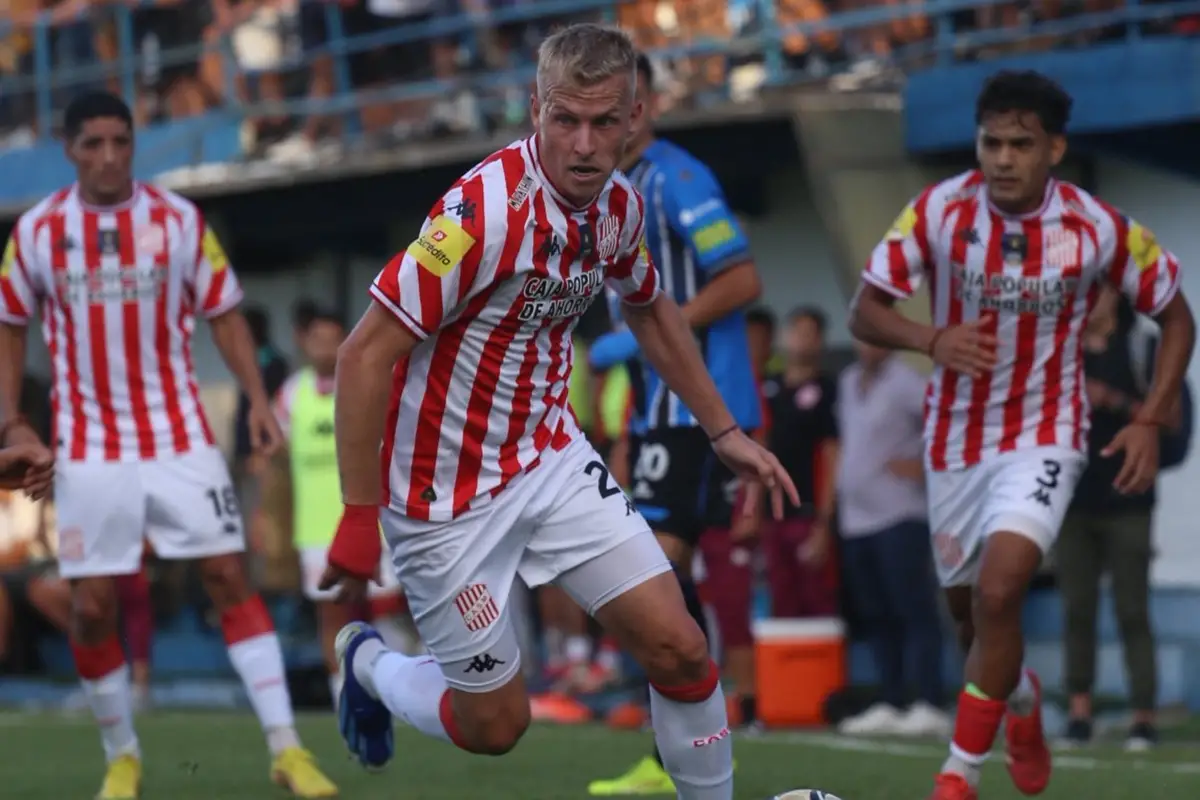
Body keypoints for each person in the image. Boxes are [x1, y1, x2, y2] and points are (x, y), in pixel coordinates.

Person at [317, 24, 796, 800]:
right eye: (564, 119)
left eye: (605, 122)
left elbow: (650, 308)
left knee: (678, 647)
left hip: (550, 458)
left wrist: (725, 430)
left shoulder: (620, 207)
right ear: (533, 109)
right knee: (496, 727)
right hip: (443, 495)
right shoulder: (480, 215)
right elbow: (362, 356)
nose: (583, 144)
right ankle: (369, 665)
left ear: (634, 116)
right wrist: (356, 513)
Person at [849, 69, 1194, 800]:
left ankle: (958, 775)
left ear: (1055, 149)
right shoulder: (938, 212)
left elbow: (1176, 316)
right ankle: (1024, 705)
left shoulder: (1097, 228)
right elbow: (866, 309)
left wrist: (1150, 416)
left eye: (1020, 144)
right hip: (952, 443)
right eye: (990, 143)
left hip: (1045, 432)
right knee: (972, 622)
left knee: (1002, 591)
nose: (1002, 158)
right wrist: (929, 336)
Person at [0, 92, 337, 799]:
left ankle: (287, 748)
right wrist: (12, 424)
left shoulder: (177, 220)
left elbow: (224, 314)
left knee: (227, 576)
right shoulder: (36, 232)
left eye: (121, 141)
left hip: (178, 434)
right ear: (69, 149)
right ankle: (122, 754)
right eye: (93, 143)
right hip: (87, 446)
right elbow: (10, 324)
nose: (110, 157)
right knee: (92, 605)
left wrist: (256, 404)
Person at [583, 51, 765, 796]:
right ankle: (681, 741)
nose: (601, 125)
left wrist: (646, 334)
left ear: (644, 107)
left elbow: (743, 278)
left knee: (657, 568)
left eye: (615, 107)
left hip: (698, 411)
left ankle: (685, 743)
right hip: (658, 412)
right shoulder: (610, 192)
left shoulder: (677, 178)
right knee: (662, 573)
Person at [1057, 288, 1188, 750]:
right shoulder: (1062, 354)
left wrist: (1113, 399)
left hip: (1129, 500)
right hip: (1071, 501)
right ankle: (1078, 716)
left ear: (1115, 298)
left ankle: (1143, 719)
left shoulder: (1141, 349)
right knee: (1077, 610)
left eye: (1100, 292)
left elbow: (1173, 422)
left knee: (1132, 610)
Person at [271, 308, 408, 706]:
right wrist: (269, 517)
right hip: (316, 526)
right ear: (304, 343)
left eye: (333, 340)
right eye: (317, 340)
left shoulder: (368, 381)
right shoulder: (291, 394)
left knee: (386, 606)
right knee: (332, 614)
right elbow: (276, 461)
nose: (325, 349)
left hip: (374, 519)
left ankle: (398, 687)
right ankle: (342, 695)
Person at [834, 339, 948, 738]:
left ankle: (929, 700)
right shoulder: (848, 381)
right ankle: (891, 698)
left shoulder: (906, 382)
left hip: (900, 514)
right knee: (876, 613)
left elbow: (946, 423)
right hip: (856, 521)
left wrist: (922, 462)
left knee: (913, 609)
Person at [760, 307, 840, 619]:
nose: (802, 340)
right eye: (797, 332)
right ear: (785, 337)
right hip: (772, 515)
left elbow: (833, 455)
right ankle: (786, 670)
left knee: (816, 599)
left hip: (807, 514)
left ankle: (822, 669)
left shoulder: (828, 390)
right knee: (780, 601)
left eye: (811, 334)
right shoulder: (769, 387)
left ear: (820, 341)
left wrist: (824, 521)